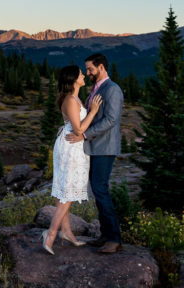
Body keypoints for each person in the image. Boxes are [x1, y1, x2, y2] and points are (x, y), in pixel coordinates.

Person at [66, 53, 124, 253]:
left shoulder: (112, 89)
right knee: (98, 191)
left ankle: (114, 239)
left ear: (101, 67)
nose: (88, 72)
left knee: (100, 190)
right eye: (87, 70)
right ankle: (106, 235)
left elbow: (111, 120)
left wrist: (84, 135)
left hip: (105, 148)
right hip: (95, 147)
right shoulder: (97, 88)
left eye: (90, 69)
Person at [42, 64, 102, 255]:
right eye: (81, 74)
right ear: (73, 79)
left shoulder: (75, 98)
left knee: (66, 191)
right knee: (67, 193)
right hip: (70, 147)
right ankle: (50, 234)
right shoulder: (70, 99)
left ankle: (66, 232)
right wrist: (93, 111)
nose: (84, 75)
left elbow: (73, 124)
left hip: (74, 146)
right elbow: (78, 129)